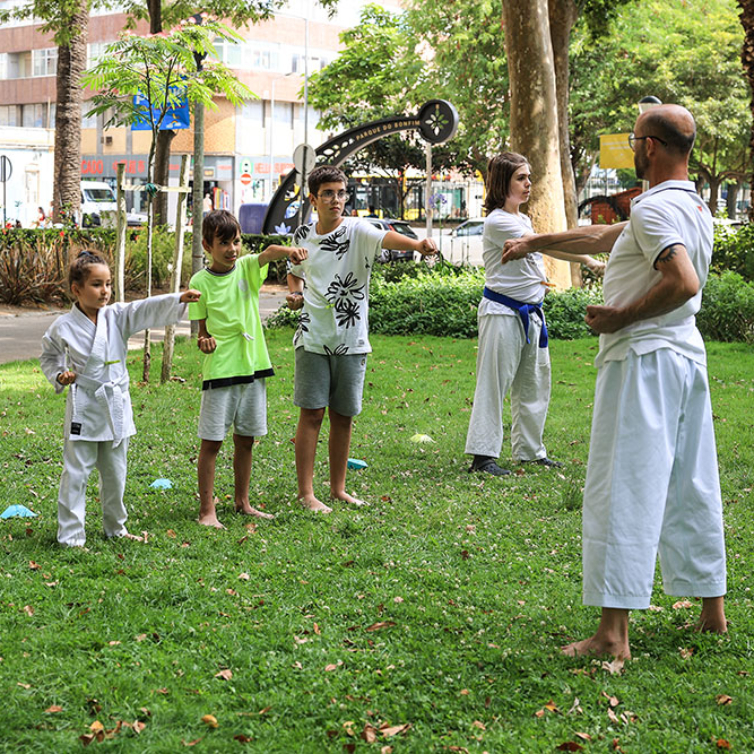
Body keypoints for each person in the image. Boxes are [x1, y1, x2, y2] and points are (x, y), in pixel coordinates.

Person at [502, 104, 727, 659]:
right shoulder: (692, 207)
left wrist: (619, 316)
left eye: (633, 140)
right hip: (685, 358)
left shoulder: (653, 209)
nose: (630, 147)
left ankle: (612, 635)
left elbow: (683, 281)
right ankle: (712, 613)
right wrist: (538, 242)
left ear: (649, 146)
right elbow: (607, 238)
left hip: (642, 361)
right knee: (690, 481)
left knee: (623, 483)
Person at [287, 165, 438, 513]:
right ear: (313, 198)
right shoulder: (302, 236)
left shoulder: (358, 229)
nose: (336, 199)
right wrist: (294, 294)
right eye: (328, 193)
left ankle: (338, 489)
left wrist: (418, 244)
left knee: (343, 415)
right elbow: (294, 275)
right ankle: (306, 493)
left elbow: (387, 238)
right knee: (311, 414)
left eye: (341, 193)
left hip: (352, 338)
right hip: (312, 336)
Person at [40, 251, 201, 547]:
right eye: (97, 284)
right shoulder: (62, 326)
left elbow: (143, 308)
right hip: (85, 407)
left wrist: (178, 298)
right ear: (77, 290)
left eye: (108, 284)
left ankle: (115, 527)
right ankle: (72, 535)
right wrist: (60, 374)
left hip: (114, 405)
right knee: (76, 472)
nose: (105, 291)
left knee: (116, 473)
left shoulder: (116, 316)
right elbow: (49, 357)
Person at [465, 152, 603, 476]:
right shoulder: (498, 220)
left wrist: (586, 261)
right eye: (521, 178)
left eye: (529, 177)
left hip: (531, 314)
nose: (528, 184)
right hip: (502, 312)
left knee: (534, 384)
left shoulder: (522, 220)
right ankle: (482, 457)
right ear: (503, 183)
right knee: (493, 384)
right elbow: (538, 244)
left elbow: (540, 245)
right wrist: (586, 256)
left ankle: (530, 451)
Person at [188, 210, 307, 529]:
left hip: (254, 367)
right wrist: (205, 341)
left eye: (236, 241)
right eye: (223, 242)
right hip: (221, 371)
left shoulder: (245, 269)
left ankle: (243, 502)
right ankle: (207, 510)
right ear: (206, 245)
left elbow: (268, 253)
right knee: (212, 442)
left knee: (246, 439)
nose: (232, 249)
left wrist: (289, 251)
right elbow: (201, 331)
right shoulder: (199, 281)